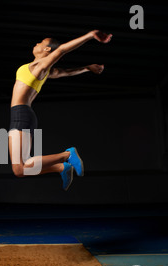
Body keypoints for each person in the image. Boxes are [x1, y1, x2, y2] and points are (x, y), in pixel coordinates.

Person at [8, 30, 112, 190]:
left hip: (21, 114)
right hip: (20, 114)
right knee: (19, 170)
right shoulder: (41, 69)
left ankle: (67, 155)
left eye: (41, 42)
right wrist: (86, 68)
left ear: (47, 50)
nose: (36, 43)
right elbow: (65, 72)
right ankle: (61, 167)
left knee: (21, 167)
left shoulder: (41, 66)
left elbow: (62, 49)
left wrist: (90, 35)